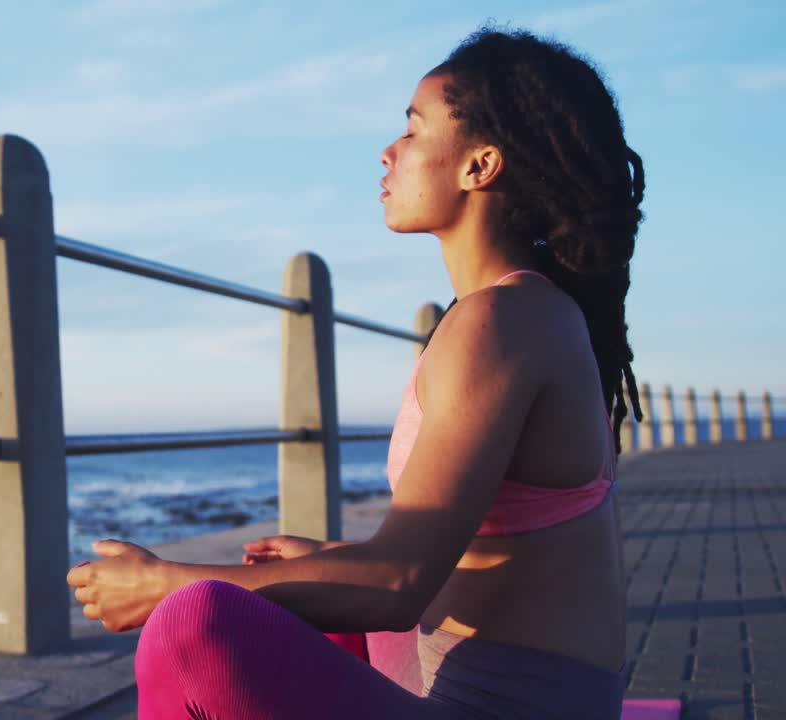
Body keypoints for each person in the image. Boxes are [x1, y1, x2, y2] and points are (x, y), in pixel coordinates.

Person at [67, 25, 644, 719]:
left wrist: (161, 583)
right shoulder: (517, 313)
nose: (389, 152)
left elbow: (397, 583)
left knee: (194, 628)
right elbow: (475, 552)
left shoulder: (501, 323)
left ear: (479, 166)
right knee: (304, 598)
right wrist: (325, 558)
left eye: (412, 129)